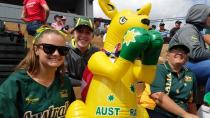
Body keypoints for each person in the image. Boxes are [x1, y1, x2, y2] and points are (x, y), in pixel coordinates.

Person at [0, 27, 76, 117]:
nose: (56, 53)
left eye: (62, 50)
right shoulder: (14, 84)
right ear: (36, 50)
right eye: (49, 48)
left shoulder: (65, 82)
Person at [145, 43, 197, 118]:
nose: (180, 53)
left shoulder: (190, 74)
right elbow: (157, 96)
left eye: (184, 52)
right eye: (176, 50)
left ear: (186, 58)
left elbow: (192, 103)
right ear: (167, 55)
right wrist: (185, 115)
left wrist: (194, 116)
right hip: (160, 112)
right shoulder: (159, 69)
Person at [169, 4, 210, 93]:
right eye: (209, 15)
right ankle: (208, 104)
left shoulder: (195, 30)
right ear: (200, 15)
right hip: (180, 68)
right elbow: (195, 53)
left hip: (190, 65)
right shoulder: (188, 29)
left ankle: (206, 103)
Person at [65, 17, 99, 86]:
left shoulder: (97, 53)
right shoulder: (64, 51)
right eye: (80, 31)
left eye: (87, 32)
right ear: (73, 33)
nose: (83, 35)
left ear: (92, 36)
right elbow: (63, 78)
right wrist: (84, 84)